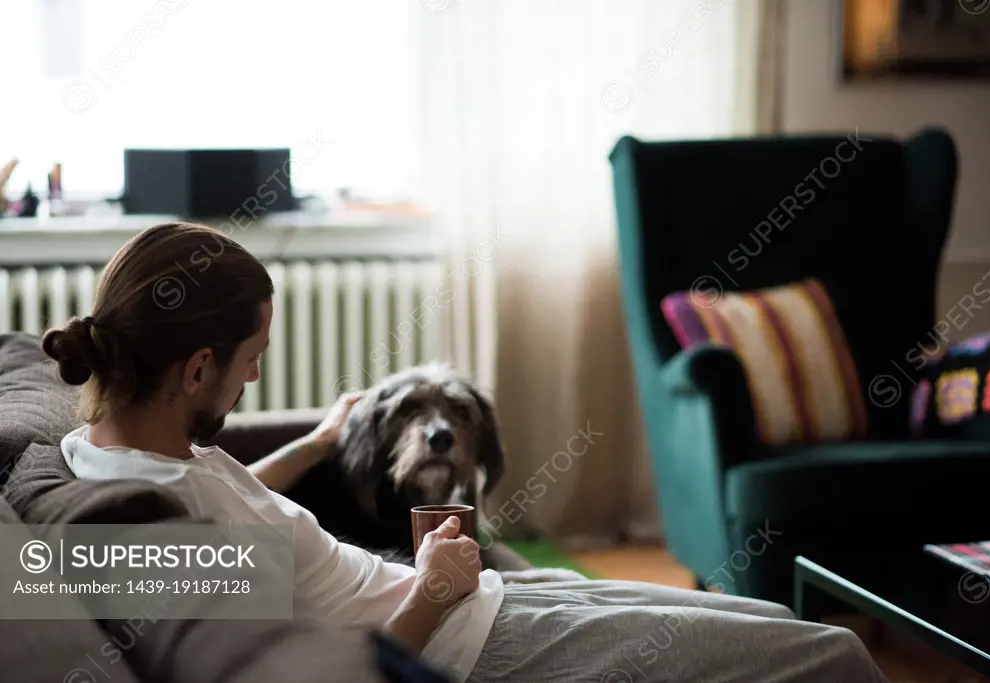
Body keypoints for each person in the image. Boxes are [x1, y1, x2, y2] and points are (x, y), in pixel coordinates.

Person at [46, 222, 890, 683]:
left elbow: (232, 506)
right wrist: (431, 592)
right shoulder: (157, 521)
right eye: (250, 358)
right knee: (832, 655)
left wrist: (314, 444)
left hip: (472, 599)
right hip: (468, 640)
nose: (256, 378)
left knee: (778, 620)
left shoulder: (112, 451)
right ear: (196, 368)